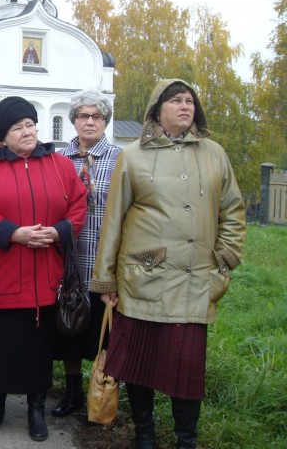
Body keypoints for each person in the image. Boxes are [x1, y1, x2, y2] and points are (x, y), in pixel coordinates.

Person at [92, 79, 246, 449]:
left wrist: (223, 260)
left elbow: (234, 213)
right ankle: (144, 435)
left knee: (187, 370)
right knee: (138, 366)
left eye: (189, 101)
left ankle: (185, 440)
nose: (185, 106)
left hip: (194, 283)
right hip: (143, 278)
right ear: (156, 109)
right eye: (175, 100)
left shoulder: (214, 154)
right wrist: (106, 280)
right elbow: (113, 221)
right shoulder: (133, 155)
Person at [0, 96, 88, 442]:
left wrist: (59, 231)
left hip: (43, 277)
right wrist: (14, 233)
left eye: (31, 124)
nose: (27, 131)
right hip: (0, 275)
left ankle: (36, 411)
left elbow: (79, 205)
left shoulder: (59, 165)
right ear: (1, 136)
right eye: (18, 127)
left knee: (37, 352)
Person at [51, 90, 121, 417]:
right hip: (69, 264)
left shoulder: (121, 159)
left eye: (96, 116)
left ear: (105, 121)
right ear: (74, 121)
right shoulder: (58, 160)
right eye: (83, 116)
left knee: (105, 335)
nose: (89, 121)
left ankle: (100, 397)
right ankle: (73, 390)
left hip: (105, 265)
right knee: (70, 332)